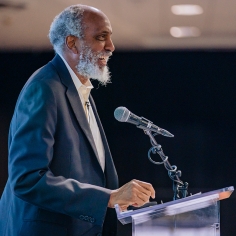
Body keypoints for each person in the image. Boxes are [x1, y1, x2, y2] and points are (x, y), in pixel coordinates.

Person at [0, 4, 155, 236]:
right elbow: (27, 179)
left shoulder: (79, 89)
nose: (111, 47)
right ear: (72, 43)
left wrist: (115, 198)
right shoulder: (44, 88)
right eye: (101, 37)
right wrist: (108, 197)